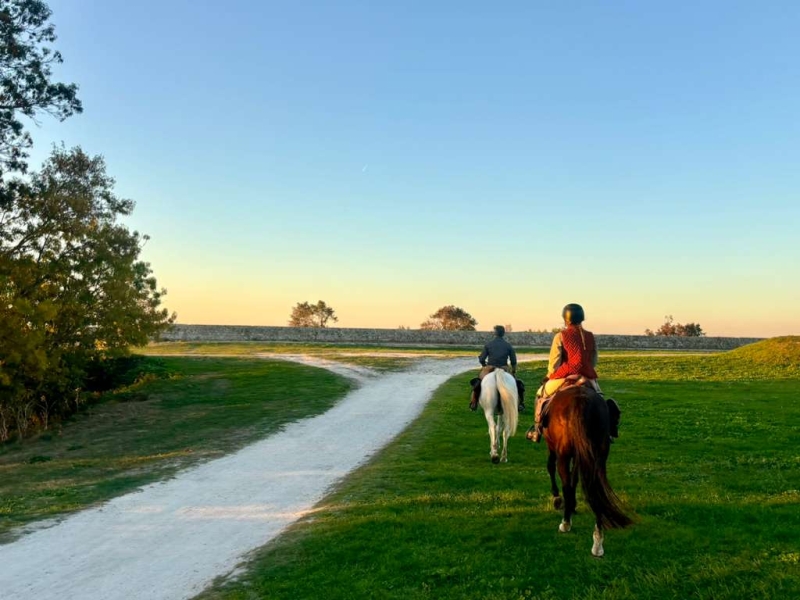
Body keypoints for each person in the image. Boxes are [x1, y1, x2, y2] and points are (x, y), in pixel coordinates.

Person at [528, 303, 619, 442]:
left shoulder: (560, 336)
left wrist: (549, 375)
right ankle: (608, 432)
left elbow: (554, 363)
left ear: (566, 319)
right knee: (601, 399)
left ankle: (536, 430)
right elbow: (594, 360)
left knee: (540, 393)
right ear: (582, 318)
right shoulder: (590, 336)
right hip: (587, 377)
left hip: (565, 376)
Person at [469, 325, 526, 412]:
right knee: (517, 384)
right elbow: (513, 361)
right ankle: (520, 403)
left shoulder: (488, 345)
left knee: (478, 382)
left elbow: (482, 359)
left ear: (494, 333)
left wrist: (484, 364)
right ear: (503, 333)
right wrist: (514, 371)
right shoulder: (508, 346)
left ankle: (474, 402)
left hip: (490, 367)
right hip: (504, 368)